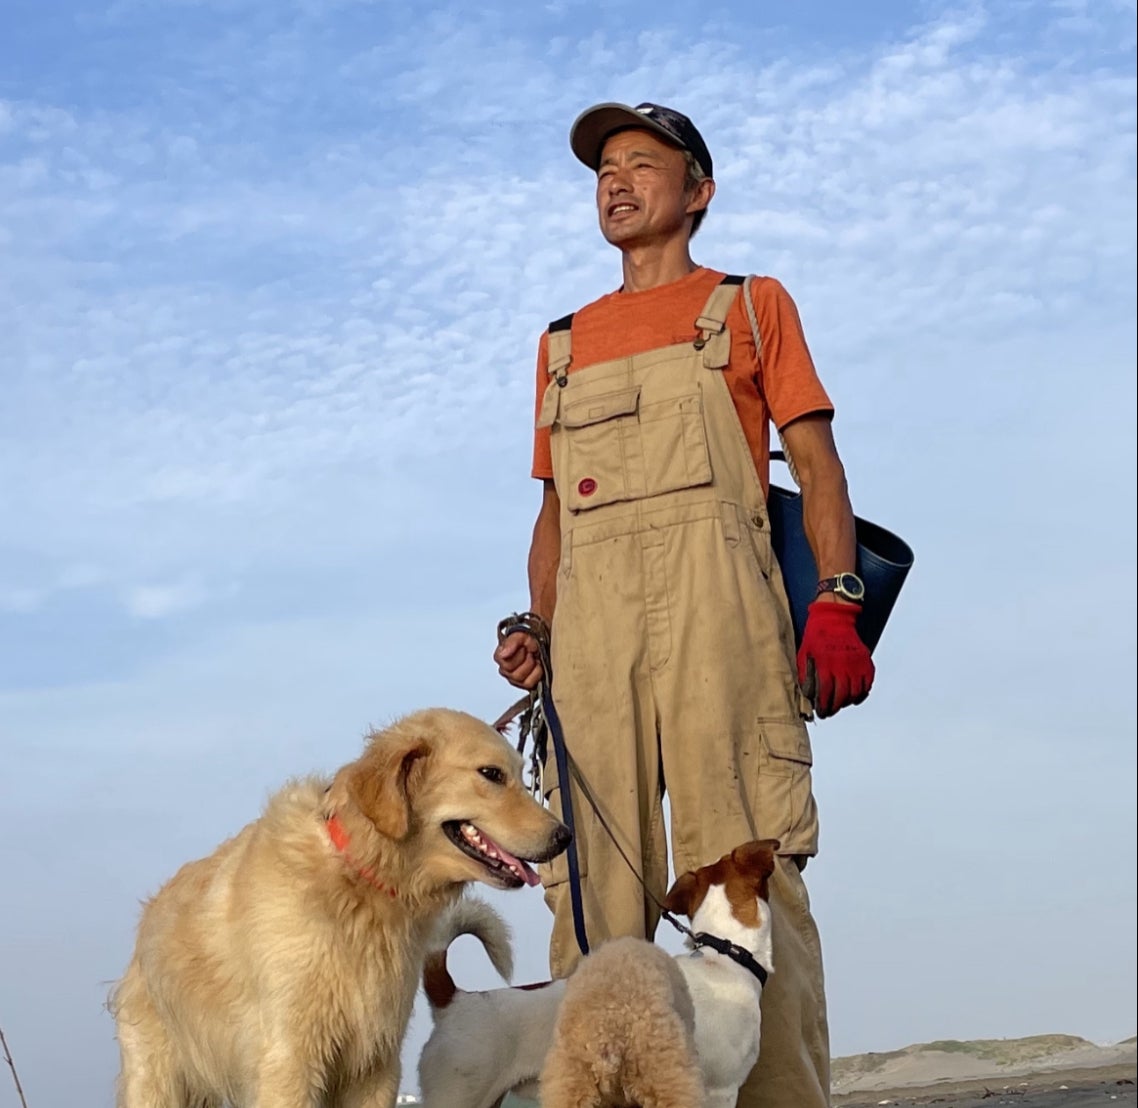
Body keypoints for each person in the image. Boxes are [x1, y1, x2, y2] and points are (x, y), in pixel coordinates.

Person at [493, 100, 875, 1108]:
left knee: (747, 882)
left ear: (698, 191)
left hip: (726, 624)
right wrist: (538, 627)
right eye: (602, 170)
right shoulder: (562, 344)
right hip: (593, 640)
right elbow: (553, 515)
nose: (614, 182)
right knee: (594, 899)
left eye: (640, 163)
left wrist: (836, 600)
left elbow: (819, 468)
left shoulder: (750, 307)